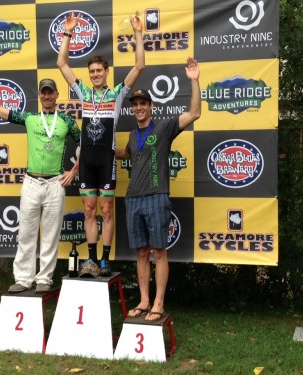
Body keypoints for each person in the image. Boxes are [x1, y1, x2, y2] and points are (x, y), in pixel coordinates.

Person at [0, 63, 81, 293]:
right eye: (44, 92)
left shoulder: (67, 121)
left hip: (54, 184)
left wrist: (74, 171)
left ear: (57, 95)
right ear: (39, 96)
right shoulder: (29, 118)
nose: (48, 95)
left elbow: (85, 145)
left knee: (50, 236)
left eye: (51, 92)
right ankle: (23, 278)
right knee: (26, 234)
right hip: (31, 183)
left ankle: (44, 279)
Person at [57, 12, 145, 277]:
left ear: (107, 72)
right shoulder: (83, 93)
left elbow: (139, 66)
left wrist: (138, 33)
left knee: (107, 210)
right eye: (92, 71)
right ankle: (91, 259)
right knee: (88, 210)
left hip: (106, 160)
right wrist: (68, 33)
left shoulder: (117, 94)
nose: (95, 74)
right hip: (87, 161)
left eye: (99, 71)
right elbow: (61, 63)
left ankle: (106, 260)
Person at [115, 57, 201, 321]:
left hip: (156, 196)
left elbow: (195, 113)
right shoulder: (131, 135)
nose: (139, 108)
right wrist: (102, 149)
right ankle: (143, 300)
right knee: (141, 252)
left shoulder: (164, 127)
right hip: (133, 199)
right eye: (135, 105)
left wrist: (194, 80)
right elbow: (129, 155)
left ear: (151, 106)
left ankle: (159, 303)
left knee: (159, 251)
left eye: (143, 104)